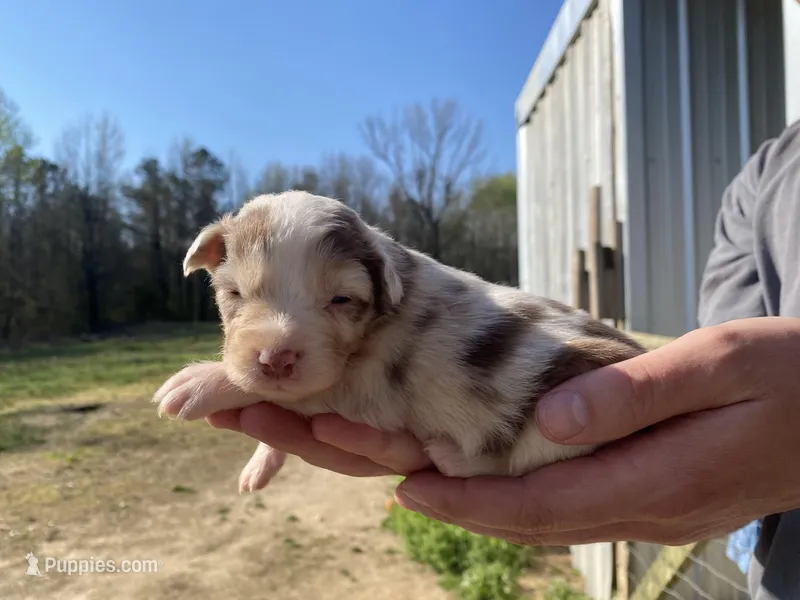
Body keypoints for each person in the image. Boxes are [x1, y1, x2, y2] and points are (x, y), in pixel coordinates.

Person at [206, 119, 800, 600]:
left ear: (386, 288)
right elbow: (731, 345)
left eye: (339, 299)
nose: (277, 343)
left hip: (553, 410)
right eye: (237, 294)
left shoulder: (404, 305)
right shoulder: (765, 178)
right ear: (210, 261)